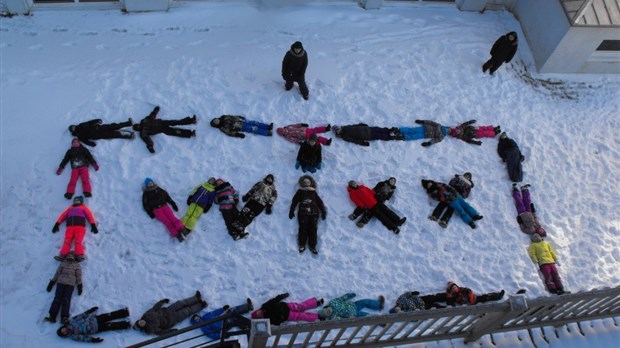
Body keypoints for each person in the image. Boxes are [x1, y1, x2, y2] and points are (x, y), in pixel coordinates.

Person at [134, 291, 207, 335]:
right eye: (141, 324)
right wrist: (171, 331)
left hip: (168, 310)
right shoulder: (149, 329)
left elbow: (154, 308)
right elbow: (161, 332)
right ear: (142, 327)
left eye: (140, 321)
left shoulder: (146, 315)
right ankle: (201, 305)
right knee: (187, 311)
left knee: (181, 303)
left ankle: (196, 298)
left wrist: (162, 301)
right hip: (171, 319)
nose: (142, 322)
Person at [132, 106, 197, 153]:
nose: (139, 127)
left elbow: (151, 116)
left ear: (138, 124)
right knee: (176, 132)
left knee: (177, 122)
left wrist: (155, 110)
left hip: (162, 122)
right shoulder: (143, 133)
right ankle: (191, 133)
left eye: (138, 125)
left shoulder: (144, 121)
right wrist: (150, 147)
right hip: (162, 129)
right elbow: (147, 141)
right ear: (138, 130)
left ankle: (191, 120)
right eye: (138, 128)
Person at [289, 175, 327, 254]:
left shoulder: (313, 191)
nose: (306, 183)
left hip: (314, 213)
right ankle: (302, 245)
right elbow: (295, 201)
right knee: (303, 229)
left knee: (313, 230)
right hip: (303, 213)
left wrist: (323, 211)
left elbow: (319, 202)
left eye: (308, 182)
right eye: (305, 182)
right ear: (302, 183)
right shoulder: (300, 191)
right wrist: (291, 210)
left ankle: (312, 246)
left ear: (310, 183)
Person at [142, 178, 188, 242]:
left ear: (153, 182)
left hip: (165, 206)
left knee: (173, 218)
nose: (150, 184)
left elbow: (166, 196)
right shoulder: (146, 194)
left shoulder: (158, 189)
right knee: (167, 222)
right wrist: (150, 213)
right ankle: (177, 235)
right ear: (147, 185)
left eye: (151, 182)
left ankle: (181, 229)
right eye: (148, 184)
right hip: (157, 210)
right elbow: (145, 205)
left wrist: (173, 204)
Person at [52, 195, 97, 261]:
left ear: (81, 202)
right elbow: (63, 216)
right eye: (75, 201)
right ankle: (62, 255)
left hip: (80, 228)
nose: (76, 202)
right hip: (70, 228)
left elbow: (89, 215)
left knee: (78, 241)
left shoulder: (83, 208)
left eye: (77, 201)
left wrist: (93, 224)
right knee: (67, 241)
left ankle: (79, 255)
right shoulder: (70, 208)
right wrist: (57, 224)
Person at [44, 252, 83, 324]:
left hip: (70, 284)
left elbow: (78, 276)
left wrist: (79, 285)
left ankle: (64, 317)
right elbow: (57, 273)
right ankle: (52, 315)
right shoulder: (63, 263)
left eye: (72, 255)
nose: (70, 257)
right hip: (61, 283)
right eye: (69, 255)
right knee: (57, 298)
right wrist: (52, 282)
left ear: (75, 257)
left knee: (66, 300)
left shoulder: (77, 265)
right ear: (67, 256)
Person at [56, 306, 131, 343]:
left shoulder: (71, 321)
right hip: (95, 328)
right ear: (65, 335)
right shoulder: (73, 336)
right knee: (110, 326)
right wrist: (92, 340)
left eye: (63, 330)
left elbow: (81, 316)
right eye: (64, 333)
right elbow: (83, 338)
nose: (65, 330)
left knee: (109, 315)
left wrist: (89, 311)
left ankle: (124, 312)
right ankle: (127, 324)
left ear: (63, 327)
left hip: (94, 319)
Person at [251, 293, 323, 325]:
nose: (259, 312)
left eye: (258, 312)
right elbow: (276, 322)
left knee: (301, 306)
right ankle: (317, 317)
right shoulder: (267, 319)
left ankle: (316, 302)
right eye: (259, 315)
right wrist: (281, 318)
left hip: (286, 306)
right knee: (301, 316)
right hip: (287, 315)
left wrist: (282, 296)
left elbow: (274, 300)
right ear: (260, 317)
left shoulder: (265, 306)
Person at [68, 118, 134, 147]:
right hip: (98, 134)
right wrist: (91, 143)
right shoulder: (79, 135)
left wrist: (96, 120)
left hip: (99, 127)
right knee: (114, 134)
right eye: (72, 129)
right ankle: (129, 136)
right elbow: (85, 141)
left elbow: (89, 122)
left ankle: (128, 123)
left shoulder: (81, 125)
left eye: (73, 126)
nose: (74, 128)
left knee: (114, 126)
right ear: (73, 131)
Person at [318, 293, 384, 321]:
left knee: (365, 301)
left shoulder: (333, 303)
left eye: (326, 310)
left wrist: (349, 295)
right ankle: (381, 321)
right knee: (367, 316)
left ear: (326, 307)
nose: (327, 311)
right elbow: (340, 319)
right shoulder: (333, 316)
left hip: (354, 305)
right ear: (327, 316)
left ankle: (378, 305)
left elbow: (342, 298)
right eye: (326, 313)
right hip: (354, 314)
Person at [332, 123, 401, 147]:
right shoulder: (344, 136)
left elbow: (353, 126)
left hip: (366, 129)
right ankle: (392, 137)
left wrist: (361, 125)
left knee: (379, 129)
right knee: (379, 135)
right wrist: (362, 143)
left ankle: (389, 130)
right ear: (337, 133)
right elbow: (353, 140)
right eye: (337, 130)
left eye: (338, 128)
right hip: (366, 136)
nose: (339, 130)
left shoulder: (345, 127)